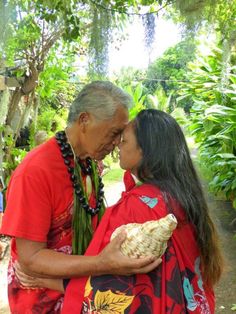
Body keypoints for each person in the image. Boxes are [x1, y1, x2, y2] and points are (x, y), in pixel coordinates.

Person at [16, 109, 223, 313]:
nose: (117, 145)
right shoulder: (181, 196)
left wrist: (45, 280)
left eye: (123, 141)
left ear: (145, 150)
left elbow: (109, 288)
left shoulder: (135, 207)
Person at [0, 82, 160, 313]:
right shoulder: (35, 172)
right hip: (42, 300)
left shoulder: (86, 162)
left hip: (78, 291)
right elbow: (31, 259)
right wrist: (102, 264)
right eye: (114, 132)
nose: (117, 142)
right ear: (85, 120)